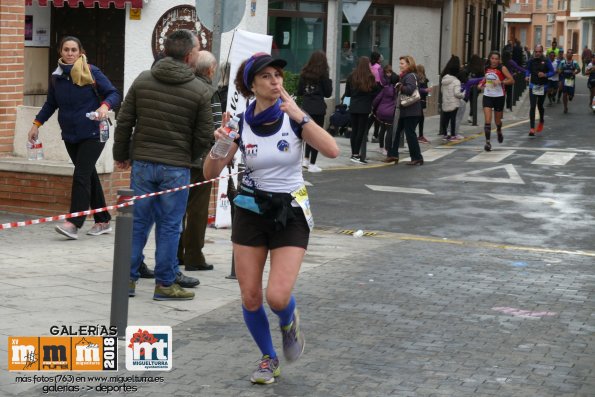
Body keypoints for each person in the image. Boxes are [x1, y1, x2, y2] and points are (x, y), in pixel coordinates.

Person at [203, 52, 339, 384]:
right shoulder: (239, 124)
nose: (275, 81)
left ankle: (289, 321)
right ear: (252, 85)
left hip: (290, 212)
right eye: (266, 76)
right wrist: (218, 147)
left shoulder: (293, 117)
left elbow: (333, 150)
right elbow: (210, 172)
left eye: (278, 74)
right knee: (250, 296)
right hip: (251, 212)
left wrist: (301, 116)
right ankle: (268, 358)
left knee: (276, 297)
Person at [113, 29, 213, 301]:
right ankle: (165, 285)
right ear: (191, 54)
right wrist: (187, 156)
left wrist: (121, 153)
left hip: (143, 163)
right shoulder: (199, 90)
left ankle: (127, 281)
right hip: (177, 167)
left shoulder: (144, 79)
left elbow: (125, 120)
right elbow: (205, 135)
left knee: (137, 223)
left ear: (166, 50)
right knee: (170, 226)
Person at [28, 36, 121, 240]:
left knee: (81, 174)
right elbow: (51, 104)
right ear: (60, 52)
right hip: (70, 134)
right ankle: (103, 220)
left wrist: (104, 107)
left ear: (80, 52)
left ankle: (73, 223)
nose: (70, 53)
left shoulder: (91, 71)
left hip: (94, 132)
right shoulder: (57, 77)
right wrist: (36, 124)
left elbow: (114, 94)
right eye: (66, 50)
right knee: (88, 175)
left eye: (73, 50)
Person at [177, 50, 222, 272]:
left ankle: (176, 254)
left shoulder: (182, 86)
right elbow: (216, 129)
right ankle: (194, 256)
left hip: (178, 155)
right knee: (197, 209)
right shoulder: (209, 92)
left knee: (177, 209)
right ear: (210, 70)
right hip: (201, 159)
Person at [383, 55, 424, 165]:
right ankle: (393, 155)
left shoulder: (410, 76)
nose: (400, 66)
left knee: (409, 134)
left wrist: (400, 87)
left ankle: (417, 157)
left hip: (411, 111)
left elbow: (410, 90)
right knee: (395, 132)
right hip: (405, 111)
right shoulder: (406, 75)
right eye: (400, 63)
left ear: (409, 64)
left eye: (402, 63)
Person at [297, 50, 333, 173]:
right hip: (318, 108)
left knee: (307, 134)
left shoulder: (304, 74)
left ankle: (305, 159)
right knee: (317, 136)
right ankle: (313, 164)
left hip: (306, 107)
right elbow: (328, 93)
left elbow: (299, 91)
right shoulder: (323, 75)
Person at [345, 56, 380, 164]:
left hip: (353, 106)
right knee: (361, 131)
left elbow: (347, 94)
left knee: (354, 130)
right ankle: (356, 155)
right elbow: (375, 92)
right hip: (365, 107)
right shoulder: (370, 77)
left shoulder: (351, 76)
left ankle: (353, 154)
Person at [479, 51, 514, 151]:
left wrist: (501, 81)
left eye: (496, 59)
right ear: (489, 59)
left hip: (499, 96)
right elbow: (485, 78)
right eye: (492, 58)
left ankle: (499, 130)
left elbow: (512, 80)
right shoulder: (486, 67)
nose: (494, 61)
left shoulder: (502, 68)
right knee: (487, 120)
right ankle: (488, 143)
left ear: (499, 60)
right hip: (487, 95)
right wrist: (481, 84)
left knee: (497, 121)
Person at [525, 45, 555, 136]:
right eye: (536, 51)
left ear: (542, 52)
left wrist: (545, 75)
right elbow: (528, 70)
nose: (537, 53)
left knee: (540, 105)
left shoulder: (546, 60)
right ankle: (532, 128)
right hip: (533, 85)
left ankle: (541, 120)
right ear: (534, 51)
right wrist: (526, 76)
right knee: (532, 106)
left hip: (543, 86)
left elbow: (552, 71)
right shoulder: (531, 60)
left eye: (539, 51)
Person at [372, 64, 398, 155]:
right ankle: (387, 149)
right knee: (389, 131)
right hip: (390, 113)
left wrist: (373, 107)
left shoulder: (385, 89)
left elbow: (377, 100)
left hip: (381, 112)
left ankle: (381, 147)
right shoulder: (397, 90)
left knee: (382, 129)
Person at [440, 55, 465, 141]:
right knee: (453, 118)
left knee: (445, 118)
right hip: (454, 103)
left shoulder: (444, 80)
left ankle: (445, 134)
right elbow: (457, 93)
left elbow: (442, 91)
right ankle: (453, 134)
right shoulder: (456, 81)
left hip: (446, 102)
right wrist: (463, 94)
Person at [559, 49, 580, 114]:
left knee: (570, 96)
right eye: (568, 53)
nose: (569, 54)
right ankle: (565, 107)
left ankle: (570, 96)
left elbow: (579, 69)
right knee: (564, 94)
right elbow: (559, 70)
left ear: (572, 55)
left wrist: (575, 72)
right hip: (564, 80)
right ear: (566, 54)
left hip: (571, 80)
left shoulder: (575, 62)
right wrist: (560, 71)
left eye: (570, 53)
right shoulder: (562, 62)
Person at [416, 64, 431, 144]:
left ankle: (420, 135)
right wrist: (426, 90)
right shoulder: (424, 79)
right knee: (420, 118)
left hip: (416, 101)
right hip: (421, 101)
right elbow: (424, 91)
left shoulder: (415, 79)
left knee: (419, 118)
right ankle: (420, 136)